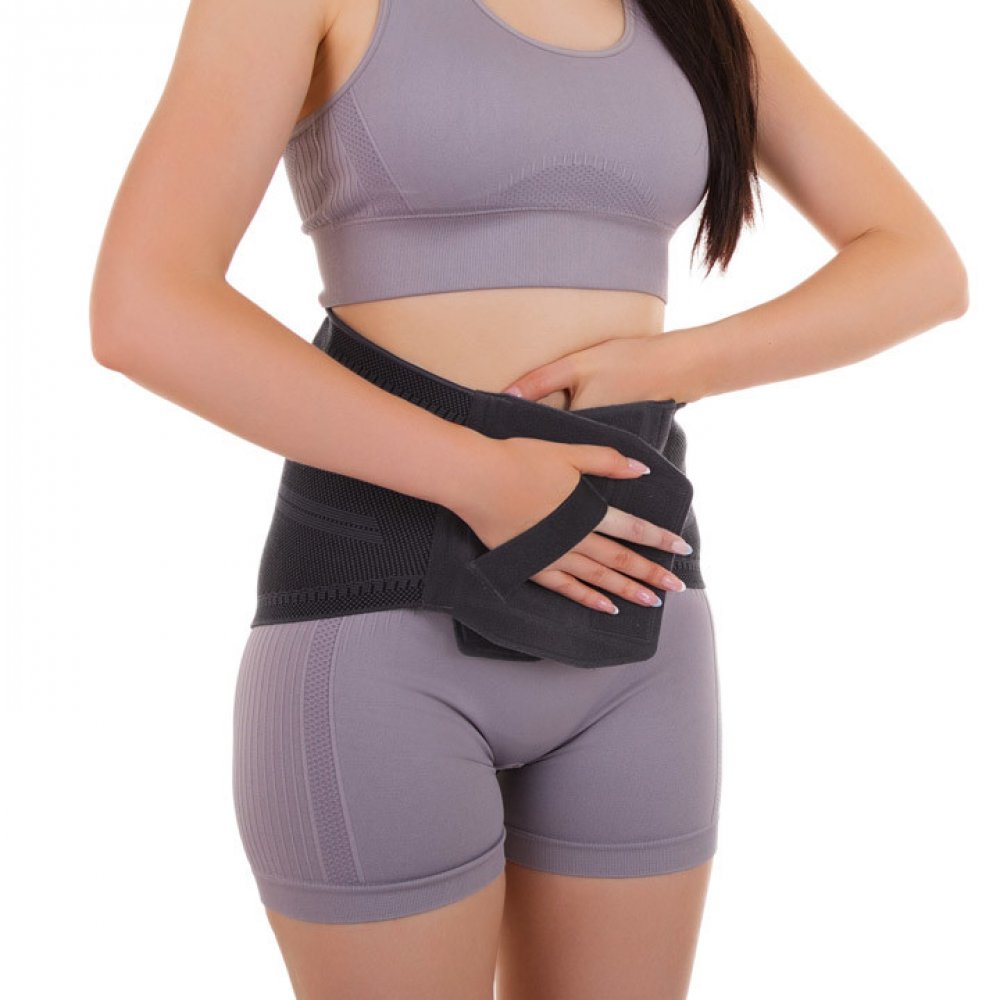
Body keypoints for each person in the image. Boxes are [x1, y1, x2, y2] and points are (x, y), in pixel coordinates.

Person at [89, 0, 968, 996]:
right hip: (382, 613)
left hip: (637, 611)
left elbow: (919, 265)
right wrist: (484, 479)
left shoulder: (698, 13)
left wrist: (671, 364)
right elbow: (144, 307)